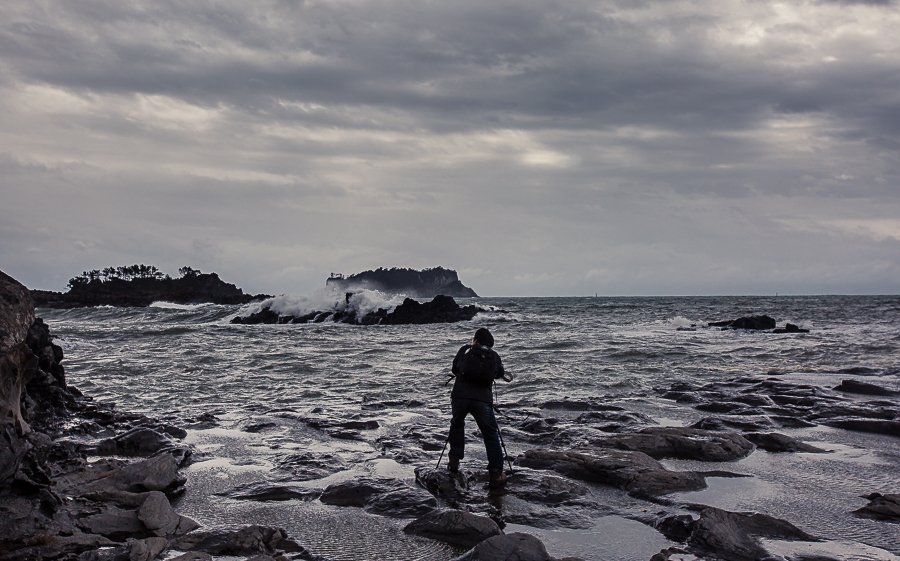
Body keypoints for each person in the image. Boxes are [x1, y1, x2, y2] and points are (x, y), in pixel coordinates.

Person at [447, 327, 508, 488]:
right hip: (482, 400)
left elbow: (455, 368)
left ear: (475, 339)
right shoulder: (494, 356)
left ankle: (454, 462)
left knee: (457, 425)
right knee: (490, 434)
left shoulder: (465, 350)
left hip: (460, 397)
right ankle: (496, 473)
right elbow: (499, 373)